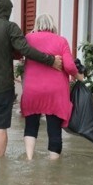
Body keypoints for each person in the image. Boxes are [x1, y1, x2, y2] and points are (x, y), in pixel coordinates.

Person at [0, 0, 63, 159]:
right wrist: (50, 60)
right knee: (0, 128)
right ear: (7, 9)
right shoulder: (10, 27)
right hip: (2, 87)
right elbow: (25, 49)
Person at [21, 14, 84, 160]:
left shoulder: (27, 39)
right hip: (55, 92)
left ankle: (29, 158)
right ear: (52, 24)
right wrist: (80, 77)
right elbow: (69, 65)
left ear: (36, 25)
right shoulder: (61, 41)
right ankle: (53, 166)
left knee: (31, 125)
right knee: (54, 128)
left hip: (32, 90)